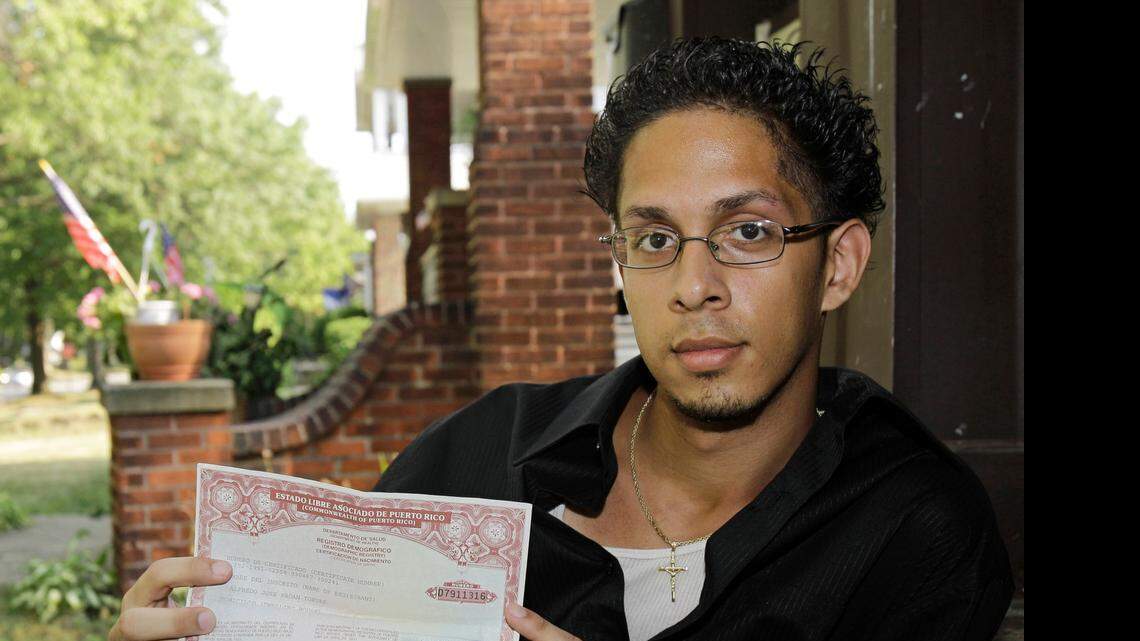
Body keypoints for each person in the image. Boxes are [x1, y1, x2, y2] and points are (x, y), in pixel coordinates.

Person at [110, 37, 1013, 641]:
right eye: (654, 240)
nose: (693, 287)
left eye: (748, 232)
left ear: (840, 263)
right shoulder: (475, 458)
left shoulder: (912, 531)